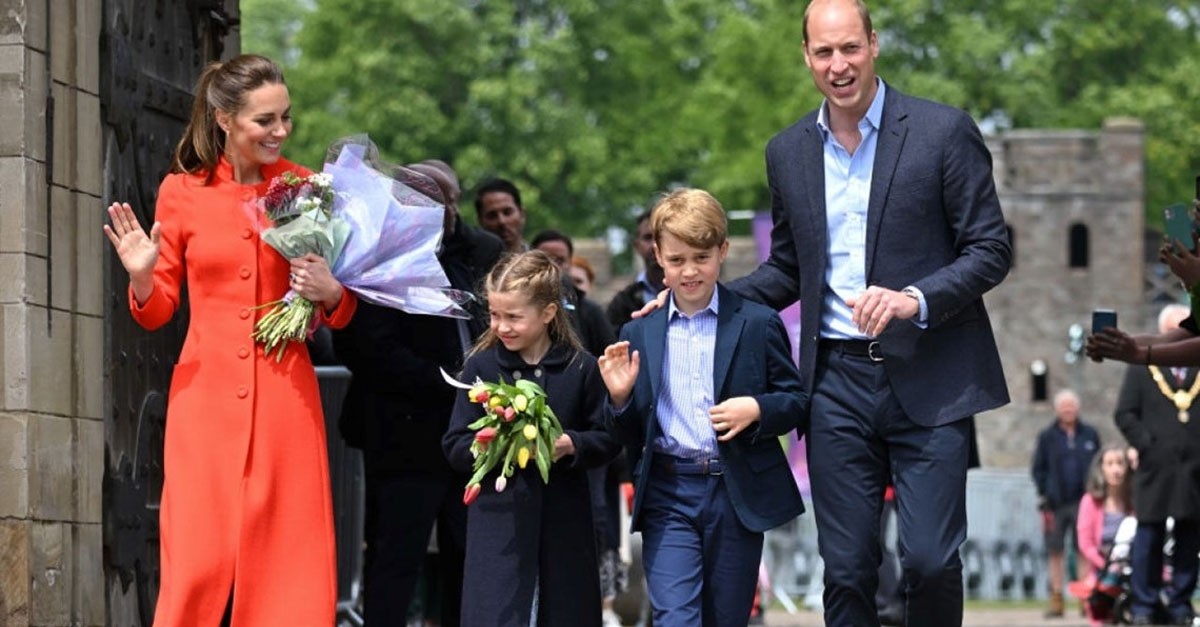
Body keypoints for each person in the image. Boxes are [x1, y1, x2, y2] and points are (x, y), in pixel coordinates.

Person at [706, 2, 1012, 624]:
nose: (838, 65)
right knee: (846, 570)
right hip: (834, 385)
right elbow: (788, 269)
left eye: (849, 48)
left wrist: (913, 298)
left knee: (929, 560)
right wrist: (706, 300)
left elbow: (990, 249)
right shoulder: (787, 151)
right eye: (824, 52)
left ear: (873, 44)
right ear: (806, 56)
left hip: (932, 374)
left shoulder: (943, 131)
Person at [102, 54, 356, 625]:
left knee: (288, 561)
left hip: (286, 402)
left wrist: (332, 293)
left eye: (285, 116)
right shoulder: (181, 192)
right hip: (205, 401)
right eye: (265, 120)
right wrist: (142, 277)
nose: (280, 130)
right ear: (224, 119)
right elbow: (157, 311)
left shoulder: (305, 188)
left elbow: (341, 311)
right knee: (197, 561)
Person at [598, 188, 808, 626]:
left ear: (723, 251)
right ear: (657, 256)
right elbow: (625, 432)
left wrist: (757, 409)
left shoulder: (757, 323)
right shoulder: (638, 334)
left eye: (701, 257)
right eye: (676, 260)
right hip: (669, 493)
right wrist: (618, 399)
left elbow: (795, 401)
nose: (690, 271)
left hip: (734, 493)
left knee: (725, 618)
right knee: (675, 617)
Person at [333, 160, 502, 626]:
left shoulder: (478, 252)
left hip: (470, 433)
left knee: (466, 556)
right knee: (396, 558)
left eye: (444, 200)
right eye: (420, 200)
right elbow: (367, 347)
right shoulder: (377, 255)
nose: (436, 209)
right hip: (404, 434)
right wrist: (446, 381)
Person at [442, 250, 621, 626]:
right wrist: (489, 444)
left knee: (563, 612)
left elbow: (608, 438)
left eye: (513, 317)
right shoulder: (482, 367)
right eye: (494, 315)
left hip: (564, 525)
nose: (501, 326)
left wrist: (572, 444)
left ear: (548, 313)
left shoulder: (580, 367)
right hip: (499, 527)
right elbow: (454, 443)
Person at [1111, 304, 1200, 625]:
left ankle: (1180, 605)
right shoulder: (1142, 367)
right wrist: (1147, 445)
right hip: (1155, 467)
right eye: (1175, 331)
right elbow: (1124, 413)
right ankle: (1144, 605)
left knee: (1189, 538)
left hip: (1193, 468)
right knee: (1149, 535)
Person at [1031, 389, 1102, 617]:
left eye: (1071, 405)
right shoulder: (1047, 437)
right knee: (1055, 552)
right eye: (1064, 406)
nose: (1068, 410)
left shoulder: (1090, 434)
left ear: (1077, 408)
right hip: (1056, 504)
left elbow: (1098, 465)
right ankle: (1057, 599)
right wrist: (1045, 491)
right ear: (1057, 409)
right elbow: (1038, 468)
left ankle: (1085, 599)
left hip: (1085, 503)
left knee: (1084, 550)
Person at [1071, 445, 1134, 627]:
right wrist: (1106, 565)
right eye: (1110, 464)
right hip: (1103, 571)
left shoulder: (1134, 501)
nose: (1116, 469)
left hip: (1131, 569)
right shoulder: (1090, 501)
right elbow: (1085, 543)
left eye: (1120, 463)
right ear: (1101, 468)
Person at [531, 228, 616, 357]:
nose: (553, 267)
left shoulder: (590, 311)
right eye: (545, 260)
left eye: (560, 261)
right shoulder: (518, 309)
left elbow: (610, 356)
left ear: (570, 264)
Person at [607, 211, 666, 335]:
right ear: (637, 245)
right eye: (648, 238)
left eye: (661, 237)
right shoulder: (622, 303)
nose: (654, 245)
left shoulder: (691, 292)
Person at [474, 177, 527, 253]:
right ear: (480, 221)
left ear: (522, 214)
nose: (502, 221)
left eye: (507, 212)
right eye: (492, 216)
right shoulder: (470, 260)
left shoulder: (542, 258)